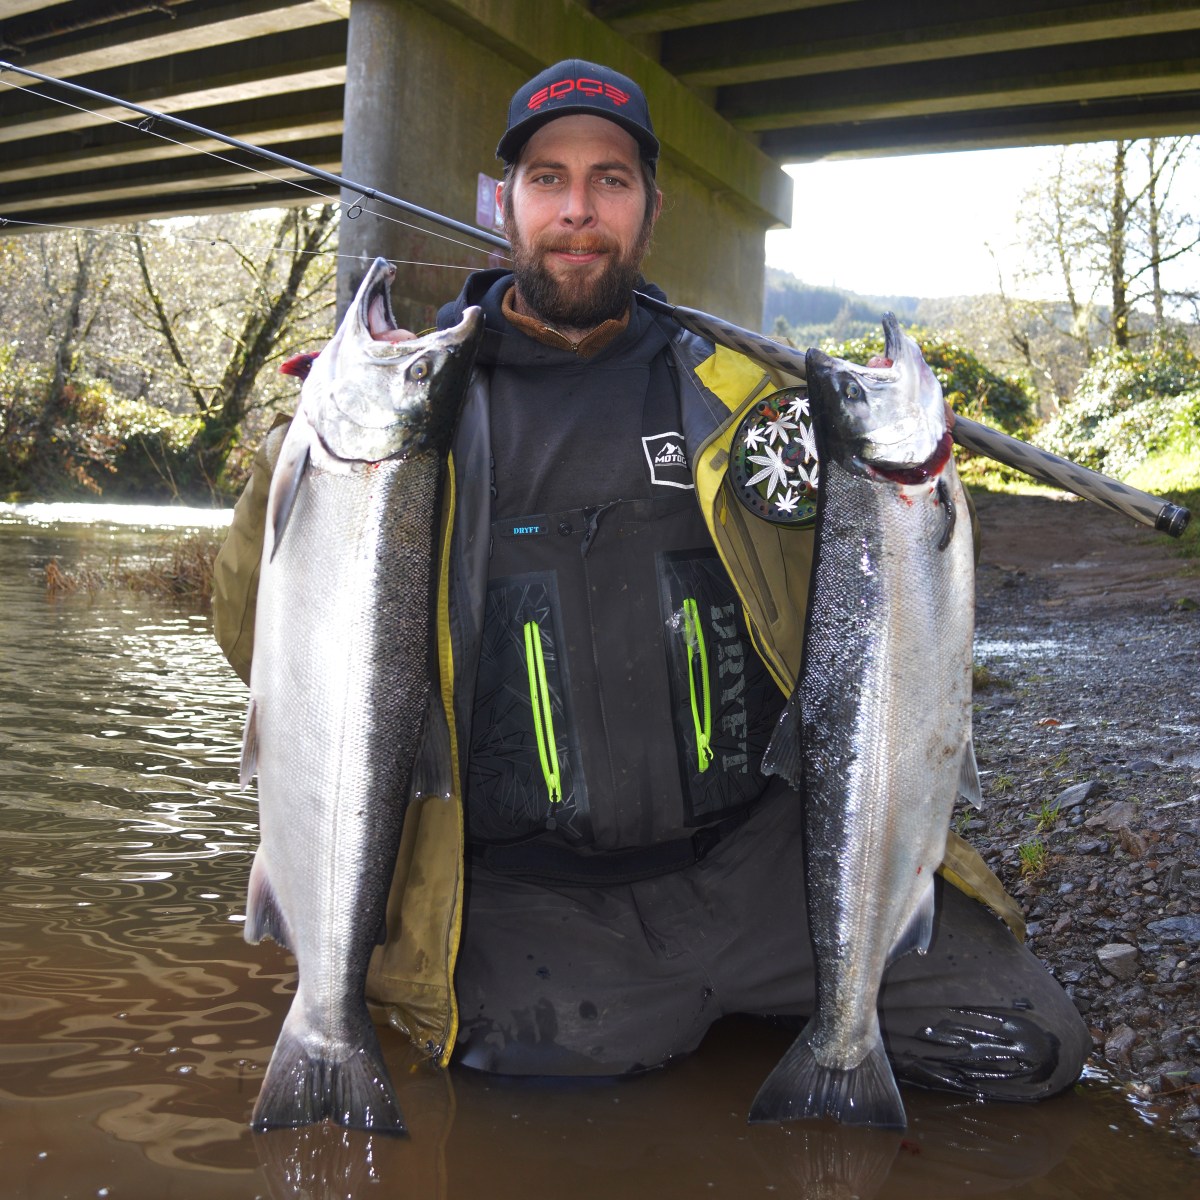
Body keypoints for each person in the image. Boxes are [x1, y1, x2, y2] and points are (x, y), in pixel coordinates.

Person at [213, 59, 1089, 1102]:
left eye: (610, 181)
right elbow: (253, 640)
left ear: (651, 208)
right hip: (539, 905)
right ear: (505, 203)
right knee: (522, 1127)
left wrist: (898, 472)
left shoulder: (745, 397)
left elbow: (894, 617)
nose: (578, 211)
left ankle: (806, 1020)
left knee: (1025, 1046)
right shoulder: (418, 418)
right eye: (548, 179)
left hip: (767, 864)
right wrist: (293, 473)